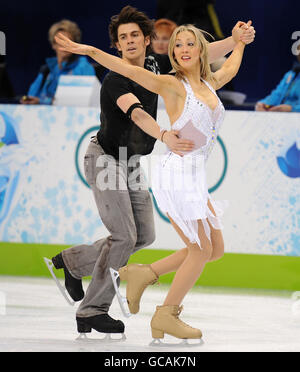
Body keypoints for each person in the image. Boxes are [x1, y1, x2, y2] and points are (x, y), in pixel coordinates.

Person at [51, 6, 255, 338]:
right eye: (123, 38)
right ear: (116, 44)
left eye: (135, 35)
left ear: (147, 41)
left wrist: (237, 41)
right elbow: (137, 111)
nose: (184, 50)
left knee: (182, 244)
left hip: (151, 165)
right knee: (137, 238)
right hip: (110, 158)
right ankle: (129, 312)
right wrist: (89, 51)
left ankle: (133, 272)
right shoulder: (149, 79)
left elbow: (221, 61)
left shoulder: (186, 72)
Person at [20, 19, 95, 105]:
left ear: (75, 44)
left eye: (68, 41)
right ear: (53, 44)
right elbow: (31, 95)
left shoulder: (83, 67)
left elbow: (85, 100)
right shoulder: (46, 69)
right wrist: (29, 100)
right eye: (60, 41)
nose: (64, 45)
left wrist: (42, 102)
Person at [255, 44, 300, 112]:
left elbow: (291, 109)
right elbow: (277, 94)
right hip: (281, 117)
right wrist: (263, 104)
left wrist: (292, 109)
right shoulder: (291, 74)